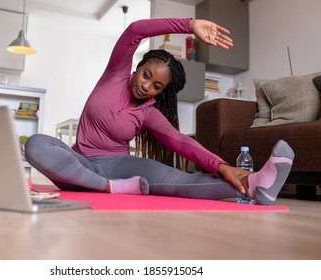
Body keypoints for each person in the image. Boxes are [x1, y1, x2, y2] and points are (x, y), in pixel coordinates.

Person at [25, 18, 295, 206]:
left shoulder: (150, 113)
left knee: (179, 181)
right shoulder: (114, 75)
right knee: (37, 144)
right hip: (80, 164)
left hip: (119, 166)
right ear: (136, 67)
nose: (145, 86)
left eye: (156, 86)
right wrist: (188, 26)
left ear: (161, 92)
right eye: (145, 75)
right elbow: (135, 31)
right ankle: (108, 188)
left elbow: (181, 142)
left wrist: (223, 166)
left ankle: (255, 185)